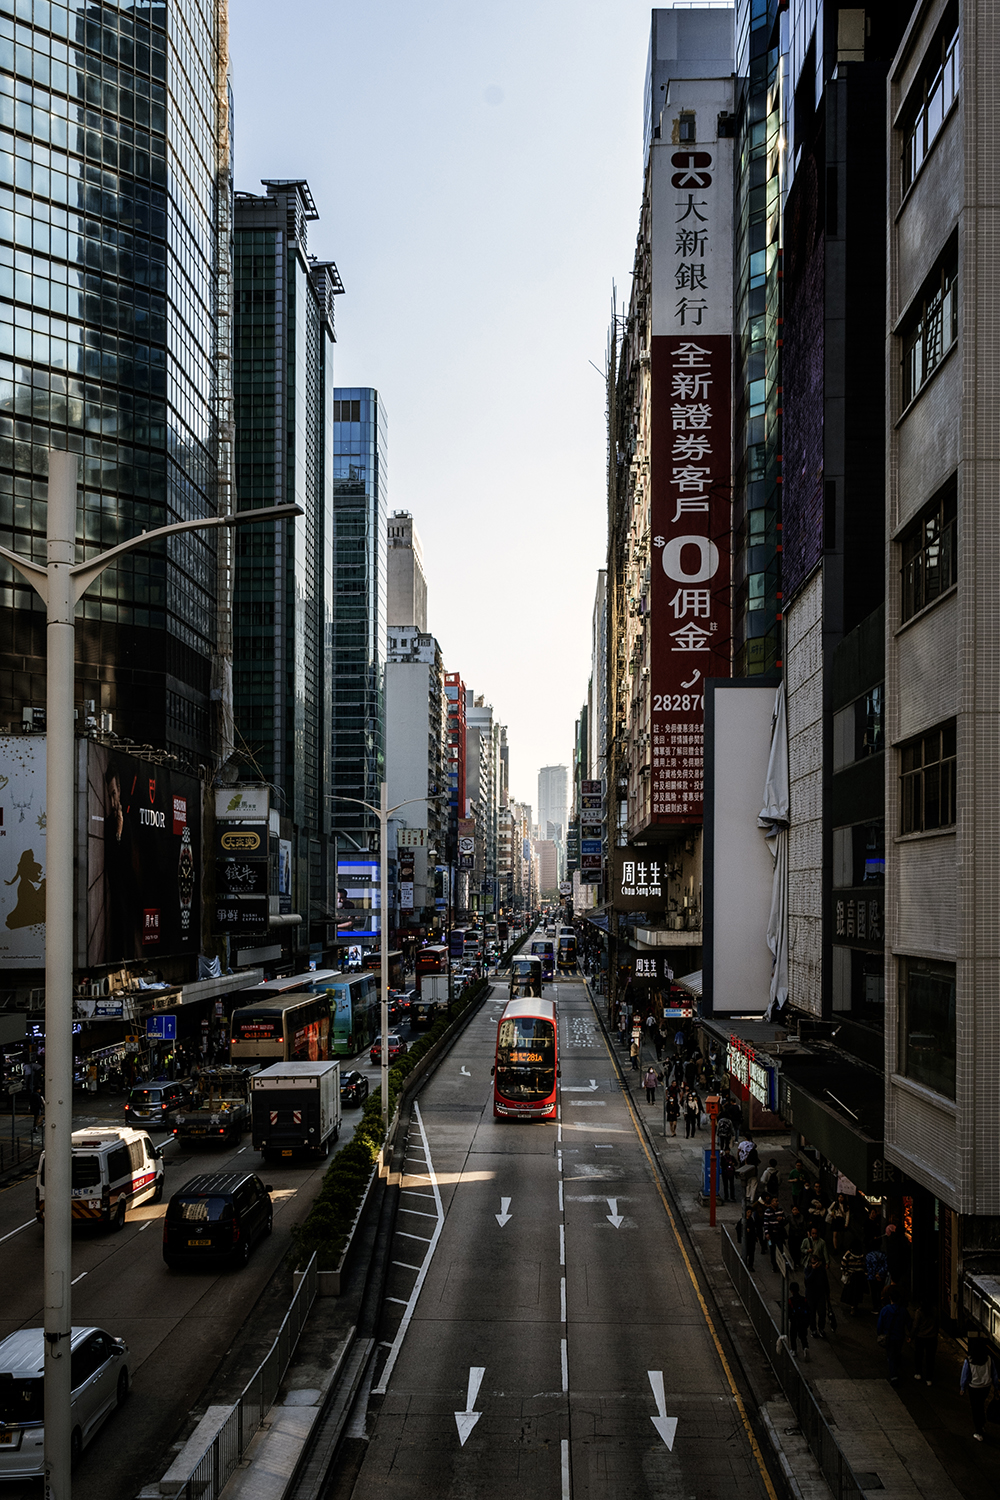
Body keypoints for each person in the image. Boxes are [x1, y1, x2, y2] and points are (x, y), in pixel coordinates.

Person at [960, 1337, 1000, 1441]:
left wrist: (962, 1387)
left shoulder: (969, 1361)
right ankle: (982, 1425)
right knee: (981, 1404)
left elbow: (964, 1375)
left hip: (974, 1387)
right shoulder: (989, 1360)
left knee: (975, 1408)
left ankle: (979, 1430)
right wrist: (996, 1387)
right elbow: (994, 1374)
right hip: (985, 1387)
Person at [876, 1289, 910, 1385]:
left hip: (889, 1336)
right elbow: (908, 1323)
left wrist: (880, 1333)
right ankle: (897, 1364)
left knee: (890, 1355)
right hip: (899, 1336)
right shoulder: (903, 1310)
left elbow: (879, 1325)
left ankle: (894, 1375)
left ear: (890, 1298)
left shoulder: (885, 1310)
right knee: (897, 1351)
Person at [912, 1298, 939, 1384]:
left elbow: (915, 1325)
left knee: (919, 1355)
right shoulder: (934, 1311)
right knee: (930, 1358)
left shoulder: (919, 1312)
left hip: (921, 1337)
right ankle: (929, 1378)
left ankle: (918, 1373)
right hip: (932, 1337)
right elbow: (938, 1323)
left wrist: (911, 1335)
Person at [805, 1255, 831, 1340]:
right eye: (813, 1263)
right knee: (812, 1314)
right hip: (811, 1295)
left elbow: (825, 1281)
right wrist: (813, 1270)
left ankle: (821, 1328)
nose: (815, 1264)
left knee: (822, 1313)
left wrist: (828, 1293)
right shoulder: (808, 1269)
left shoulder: (822, 1269)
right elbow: (807, 1281)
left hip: (820, 1295)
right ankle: (813, 1329)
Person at [839, 1249, 868, 1317]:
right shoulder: (862, 1255)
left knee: (851, 1293)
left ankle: (852, 1307)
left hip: (851, 1276)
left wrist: (845, 1271)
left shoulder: (849, 1255)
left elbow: (843, 1263)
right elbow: (864, 1265)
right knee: (857, 1293)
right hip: (860, 1277)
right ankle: (855, 1305)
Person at [764, 1196, 787, 1273]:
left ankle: (781, 1264)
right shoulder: (767, 1212)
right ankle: (774, 1265)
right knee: (772, 1250)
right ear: (771, 1203)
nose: (776, 1203)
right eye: (774, 1201)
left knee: (781, 1249)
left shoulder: (780, 1210)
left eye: (777, 1201)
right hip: (772, 1234)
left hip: (779, 1233)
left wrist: (781, 1219)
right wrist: (767, 1233)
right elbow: (766, 1223)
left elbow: (785, 1220)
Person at [787, 1282, 811, 1360]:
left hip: (794, 1321)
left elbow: (788, 1313)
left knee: (793, 1336)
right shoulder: (804, 1299)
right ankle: (805, 1348)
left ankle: (794, 1350)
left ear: (791, 1290)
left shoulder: (790, 1300)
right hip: (803, 1321)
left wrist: (790, 1318)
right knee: (803, 1336)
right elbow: (808, 1310)